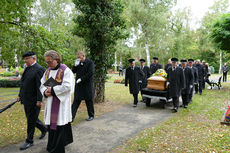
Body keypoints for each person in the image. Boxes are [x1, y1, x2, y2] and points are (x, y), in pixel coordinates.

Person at [40, 50, 74, 153]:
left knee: (59, 125)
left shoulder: (66, 71)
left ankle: (57, 149)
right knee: (52, 126)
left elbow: (68, 87)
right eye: (46, 62)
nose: (48, 64)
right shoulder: (48, 71)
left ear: (57, 60)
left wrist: (53, 90)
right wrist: (45, 92)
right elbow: (41, 84)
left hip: (61, 104)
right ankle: (51, 146)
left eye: (49, 62)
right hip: (50, 103)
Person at [18, 51, 47, 150]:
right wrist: (20, 95)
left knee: (31, 120)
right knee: (31, 118)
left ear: (33, 58)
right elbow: (23, 83)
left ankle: (29, 141)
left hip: (34, 100)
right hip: (26, 99)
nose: (25, 61)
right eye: (25, 59)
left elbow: (40, 86)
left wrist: (39, 100)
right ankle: (44, 129)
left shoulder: (39, 69)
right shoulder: (27, 68)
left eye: (27, 59)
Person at [72, 51, 95, 121]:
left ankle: (91, 115)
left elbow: (90, 73)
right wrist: (75, 65)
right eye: (77, 58)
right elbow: (73, 71)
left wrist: (81, 79)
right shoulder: (78, 63)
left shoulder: (90, 63)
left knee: (89, 101)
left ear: (83, 56)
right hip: (79, 86)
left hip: (87, 85)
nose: (78, 59)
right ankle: (71, 117)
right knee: (76, 101)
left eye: (79, 57)